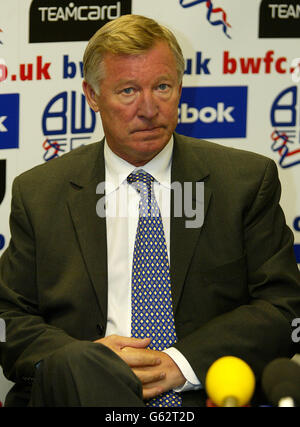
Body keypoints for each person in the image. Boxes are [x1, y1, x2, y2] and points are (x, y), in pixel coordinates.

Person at [0, 14, 300, 408]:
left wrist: (179, 363)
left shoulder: (244, 181)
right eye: (127, 91)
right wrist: (90, 363)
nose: (148, 108)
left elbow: (283, 308)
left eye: (162, 87)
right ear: (92, 96)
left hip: (202, 394)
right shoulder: (39, 193)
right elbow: (9, 319)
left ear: (179, 87)